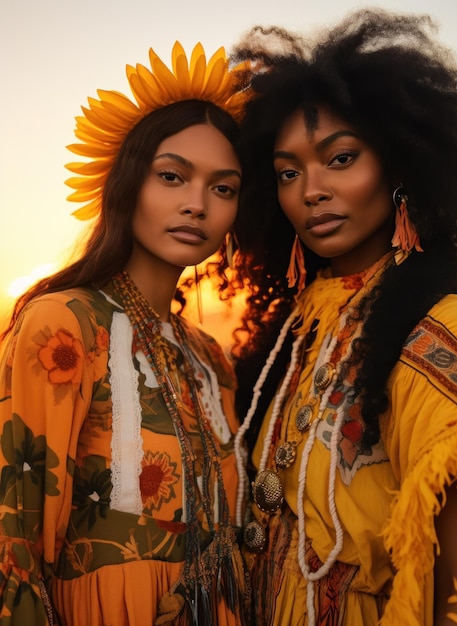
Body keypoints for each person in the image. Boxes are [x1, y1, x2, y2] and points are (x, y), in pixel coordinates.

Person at [230, 9, 457, 626]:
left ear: (400, 167)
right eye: (288, 174)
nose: (311, 190)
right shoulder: (298, 332)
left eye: (341, 158)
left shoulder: (442, 329)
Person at [0, 41, 253, 626]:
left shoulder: (210, 357)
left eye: (223, 187)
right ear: (126, 183)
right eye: (172, 176)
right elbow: (14, 533)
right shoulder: (64, 323)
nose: (197, 204)